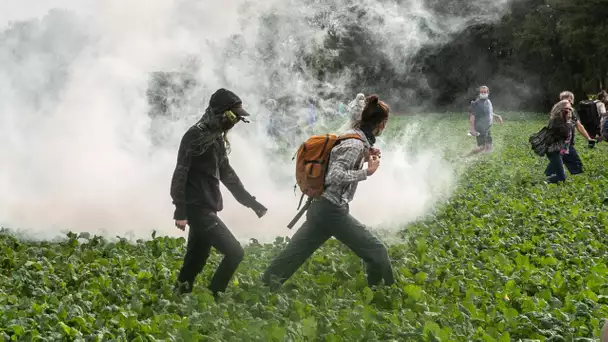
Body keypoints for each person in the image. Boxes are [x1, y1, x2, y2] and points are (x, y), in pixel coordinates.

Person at [262, 95, 395, 290]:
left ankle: (266, 285)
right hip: (331, 210)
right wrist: (367, 171)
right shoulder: (355, 143)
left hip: (321, 207)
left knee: (296, 252)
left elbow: (338, 162)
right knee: (377, 251)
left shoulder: (355, 137)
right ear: (381, 124)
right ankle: (383, 292)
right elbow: (334, 175)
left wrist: (366, 156)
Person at [170, 88, 268, 297]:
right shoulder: (194, 135)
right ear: (220, 112)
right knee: (235, 252)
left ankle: (179, 295)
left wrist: (251, 202)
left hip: (207, 206)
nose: (234, 122)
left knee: (196, 258)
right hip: (197, 208)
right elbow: (181, 172)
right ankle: (216, 295)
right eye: (233, 116)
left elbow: (228, 176)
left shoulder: (216, 139)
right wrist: (180, 210)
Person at [555, 91, 595, 175]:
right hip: (562, 145)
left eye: (569, 101)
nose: (566, 103)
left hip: (567, 144)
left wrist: (588, 138)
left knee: (558, 165)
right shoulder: (558, 112)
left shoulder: (572, 112)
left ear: (572, 101)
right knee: (577, 166)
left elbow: (579, 126)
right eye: (564, 101)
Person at [544, 99, 575, 183]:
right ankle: (542, 182)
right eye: (566, 109)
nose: (568, 111)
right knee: (562, 178)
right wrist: (568, 122)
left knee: (549, 172)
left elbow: (569, 136)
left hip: (561, 150)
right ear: (560, 109)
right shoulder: (556, 120)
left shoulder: (566, 121)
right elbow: (563, 133)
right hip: (554, 150)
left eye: (569, 109)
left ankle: (547, 176)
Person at [467, 85, 503, 155]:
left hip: (487, 128)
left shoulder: (488, 101)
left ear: (488, 92)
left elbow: (488, 113)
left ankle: (484, 160)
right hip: (480, 128)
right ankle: (467, 156)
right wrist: (472, 129)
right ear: (479, 93)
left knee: (489, 147)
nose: (483, 93)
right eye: (481, 92)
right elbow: (472, 117)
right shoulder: (477, 103)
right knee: (482, 147)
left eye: (485, 92)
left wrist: (496, 116)